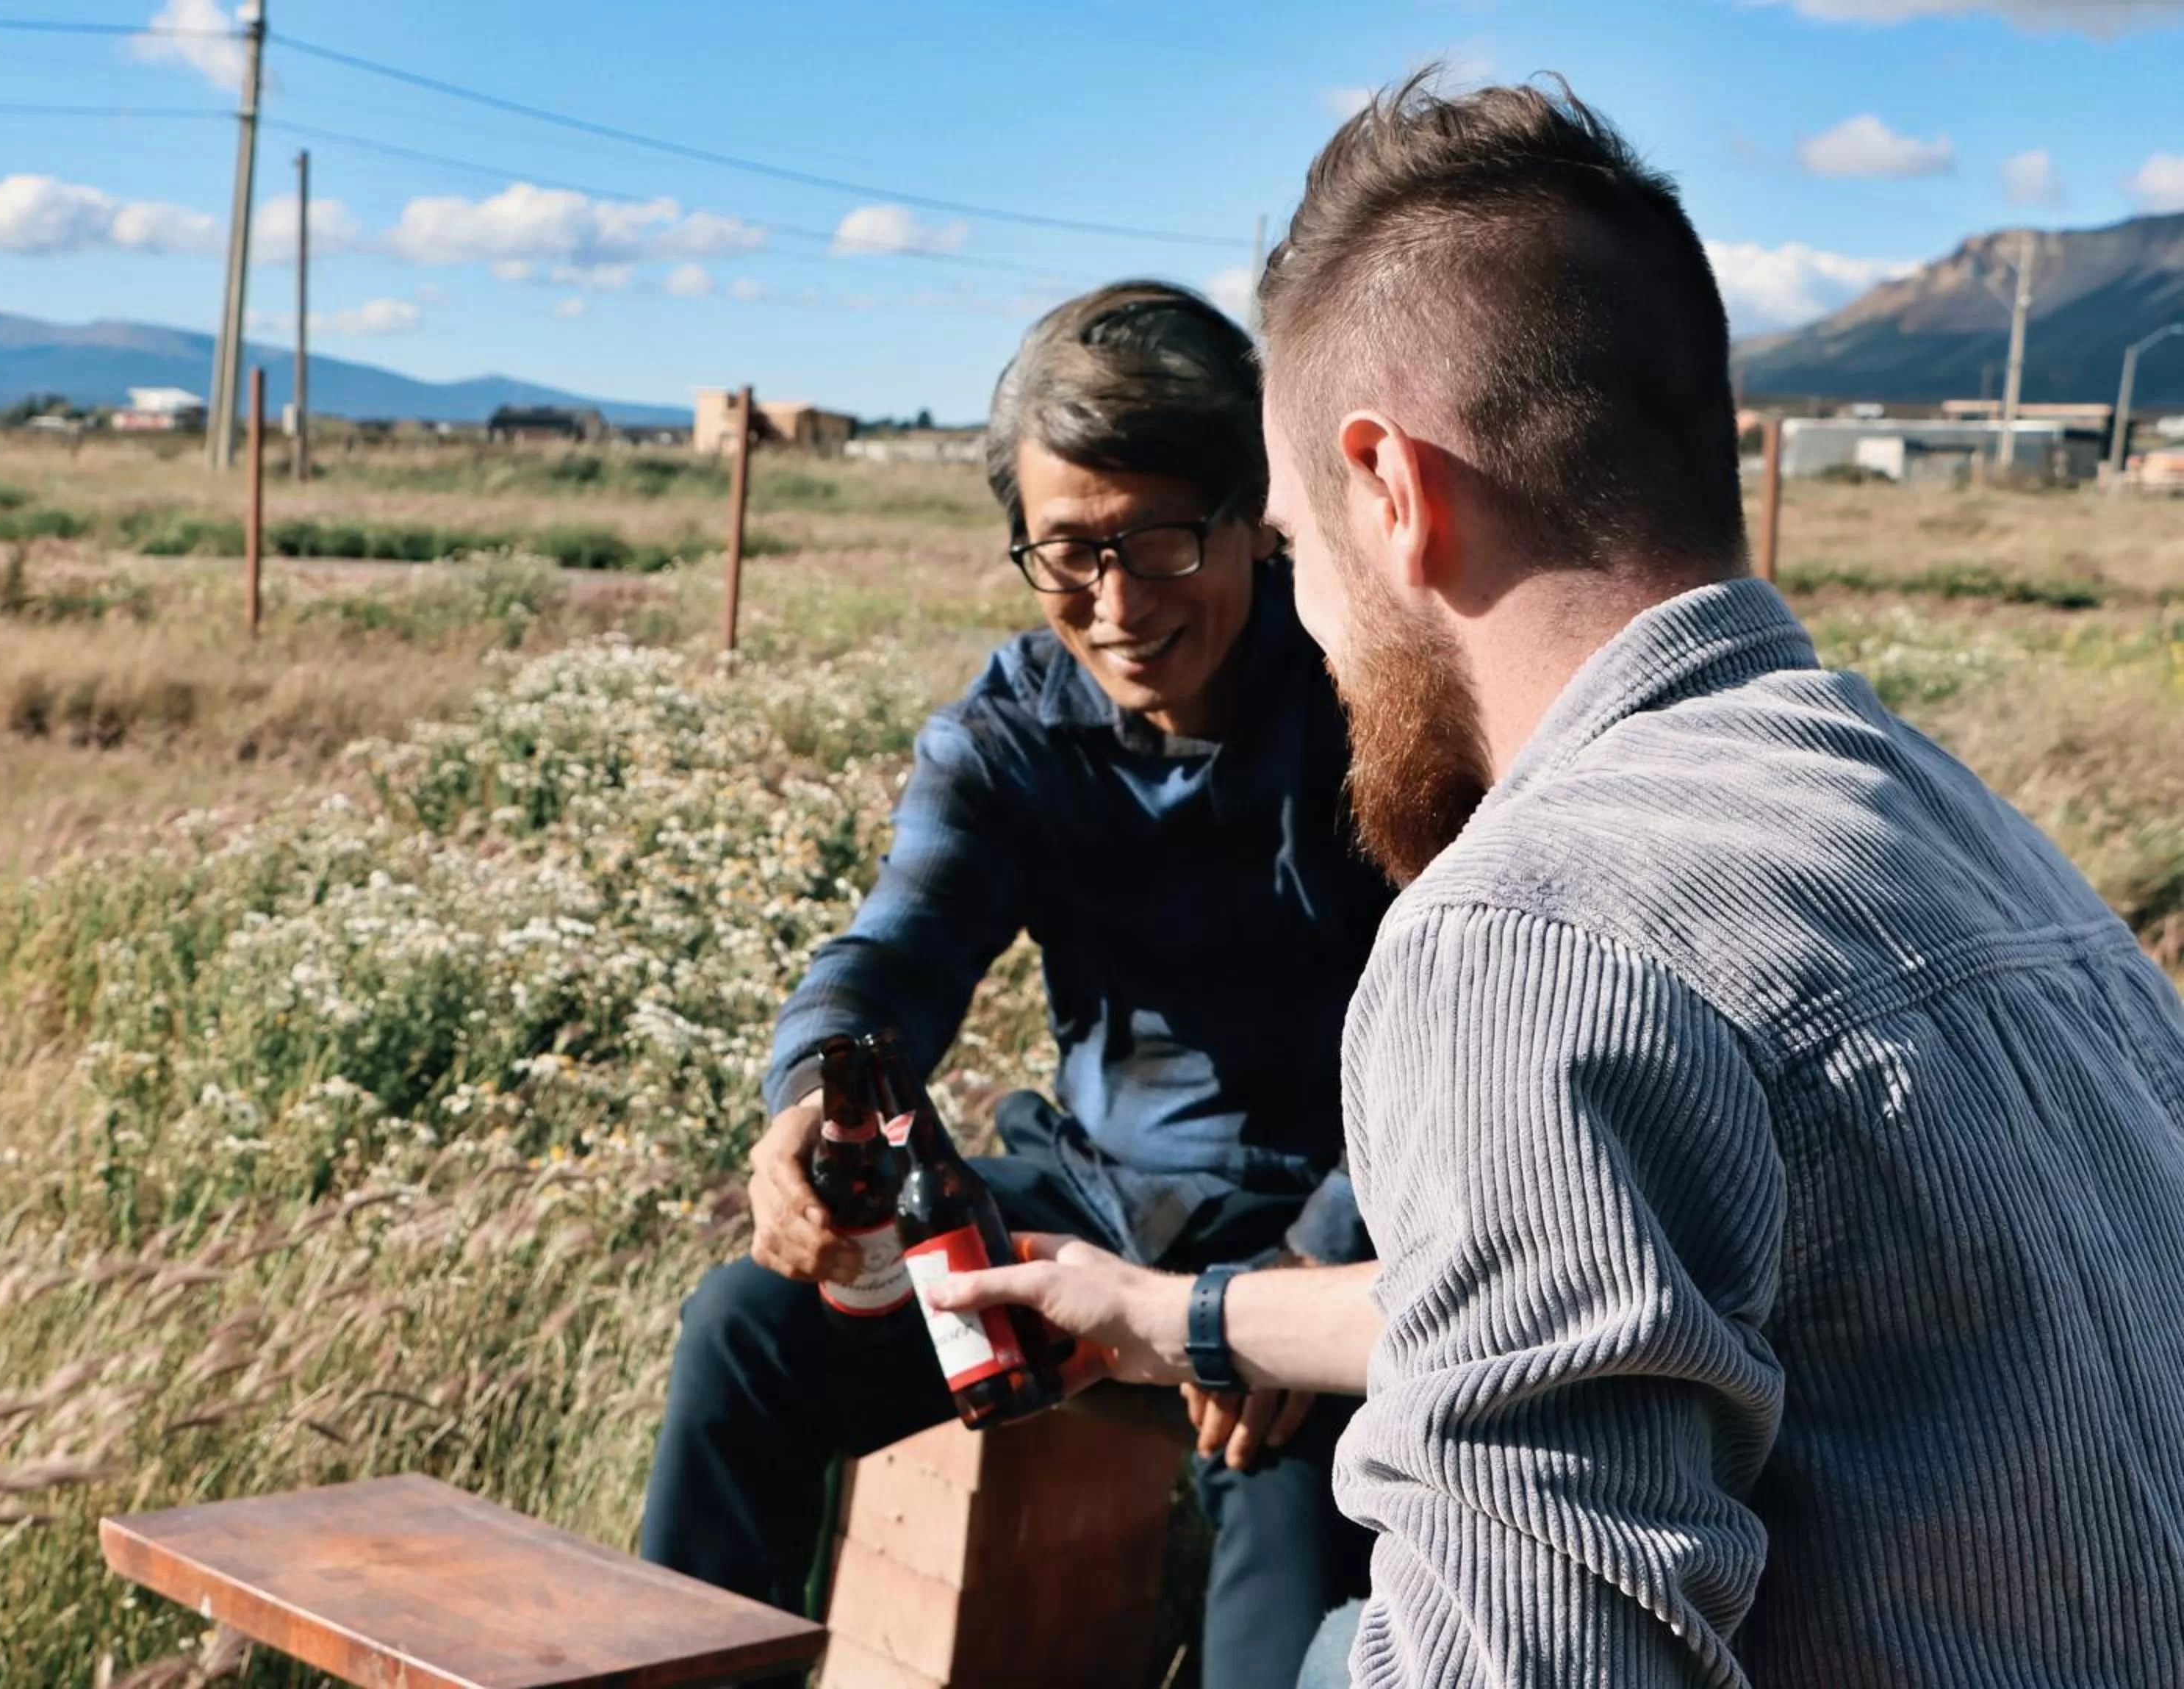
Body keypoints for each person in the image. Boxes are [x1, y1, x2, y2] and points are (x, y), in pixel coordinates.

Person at [929, 74, 2184, 1688]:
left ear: (1389, 491)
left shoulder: (1530, 937)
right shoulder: (1986, 842)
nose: (1310, 624)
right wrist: (1181, 1318)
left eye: (1298, 549)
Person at [641, 281, 1389, 1689]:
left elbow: (1464, 1033)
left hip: (1324, 1231)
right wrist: (814, 1095)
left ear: (1255, 514)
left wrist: (1316, 1267)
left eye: (1160, 540)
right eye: (1069, 554)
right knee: (748, 1330)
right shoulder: (1012, 733)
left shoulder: (1371, 704)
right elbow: (895, 950)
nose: (1119, 605)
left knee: (1287, 1546)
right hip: (1090, 1204)